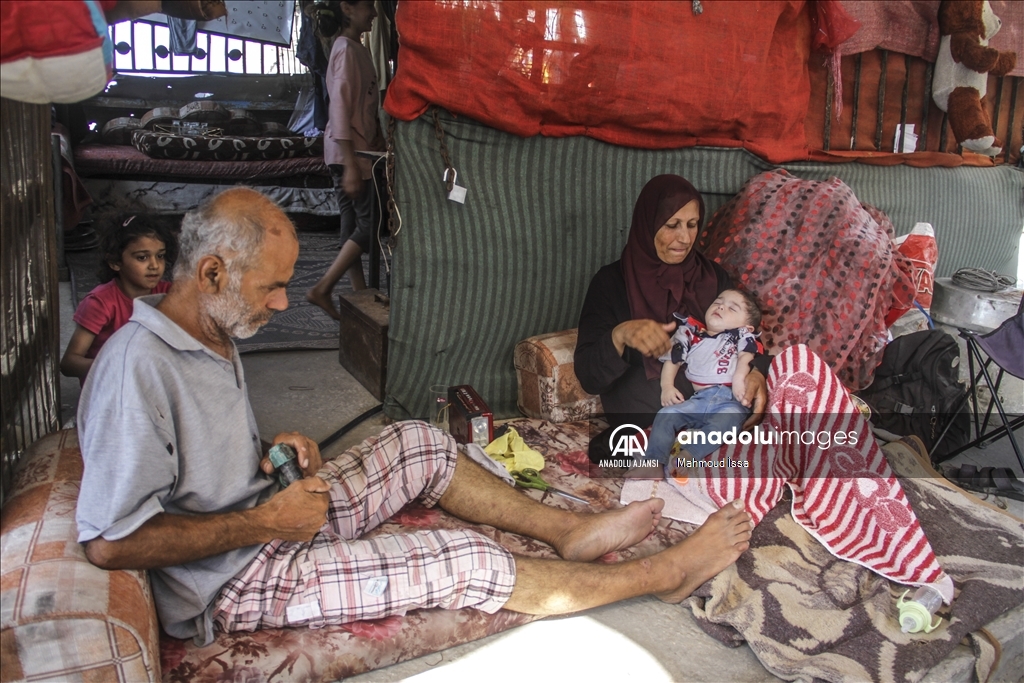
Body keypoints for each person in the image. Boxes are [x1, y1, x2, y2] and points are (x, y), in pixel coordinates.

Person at [75, 187, 754, 646]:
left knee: (418, 443)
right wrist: (261, 522)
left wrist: (269, 450)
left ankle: (567, 529)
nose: (286, 304)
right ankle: (658, 575)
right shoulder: (136, 367)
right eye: (273, 287)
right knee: (462, 557)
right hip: (234, 577)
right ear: (214, 273)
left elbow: (196, 461)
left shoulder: (211, 328)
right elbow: (111, 539)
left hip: (269, 516)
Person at [580, 175, 955, 605]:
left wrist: (757, 373)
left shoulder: (710, 277)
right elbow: (591, 375)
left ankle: (868, 510)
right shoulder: (611, 285)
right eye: (671, 225)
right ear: (647, 224)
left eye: (691, 224)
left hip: (727, 404)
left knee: (800, 365)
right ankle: (737, 479)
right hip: (661, 417)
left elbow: (747, 341)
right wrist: (621, 335)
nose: (683, 238)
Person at [305, 0, 386, 320]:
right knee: (370, 226)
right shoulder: (345, 51)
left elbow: (361, 105)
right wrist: (352, 164)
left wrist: (376, 131)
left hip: (351, 150)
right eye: (369, 6)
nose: (375, 15)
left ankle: (358, 296)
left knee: (352, 226)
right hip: (348, 153)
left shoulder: (356, 48)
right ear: (348, 8)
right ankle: (323, 288)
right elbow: (338, 109)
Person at [647, 289, 763, 468]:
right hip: (699, 400)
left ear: (747, 327)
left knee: (726, 422)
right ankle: (653, 464)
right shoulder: (690, 333)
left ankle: (688, 455)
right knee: (666, 414)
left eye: (732, 308)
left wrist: (739, 378)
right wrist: (667, 386)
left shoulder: (742, 336)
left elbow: (745, 357)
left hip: (731, 400)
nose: (721, 307)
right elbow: (673, 360)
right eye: (718, 302)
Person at [60, 213, 176, 384]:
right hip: (110, 386)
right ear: (115, 262)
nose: (154, 265)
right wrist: (115, 366)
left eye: (160, 256)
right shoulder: (100, 303)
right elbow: (69, 363)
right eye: (142, 257)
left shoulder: (168, 294)